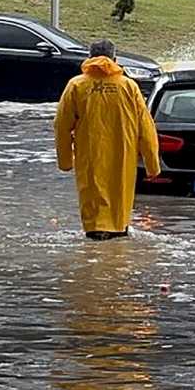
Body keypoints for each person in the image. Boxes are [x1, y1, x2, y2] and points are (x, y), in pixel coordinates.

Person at [54, 40, 161, 240]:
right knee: (119, 207)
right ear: (115, 59)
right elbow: (146, 129)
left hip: (89, 158)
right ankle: (117, 241)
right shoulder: (129, 86)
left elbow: (61, 126)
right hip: (123, 158)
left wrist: (65, 161)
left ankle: (95, 239)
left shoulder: (76, 85)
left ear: (89, 58)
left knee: (93, 207)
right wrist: (152, 166)